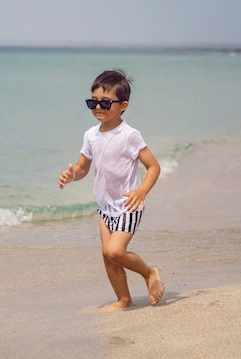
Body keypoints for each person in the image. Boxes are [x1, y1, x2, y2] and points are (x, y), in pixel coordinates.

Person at [58, 69, 164, 312]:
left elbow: (153, 167)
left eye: (105, 103)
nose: (98, 107)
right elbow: (83, 168)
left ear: (123, 105)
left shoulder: (130, 136)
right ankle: (124, 299)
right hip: (105, 207)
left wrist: (142, 191)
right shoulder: (90, 136)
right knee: (108, 258)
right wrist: (71, 174)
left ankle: (149, 273)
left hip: (128, 204)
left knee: (115, 251)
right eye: (92, 102)